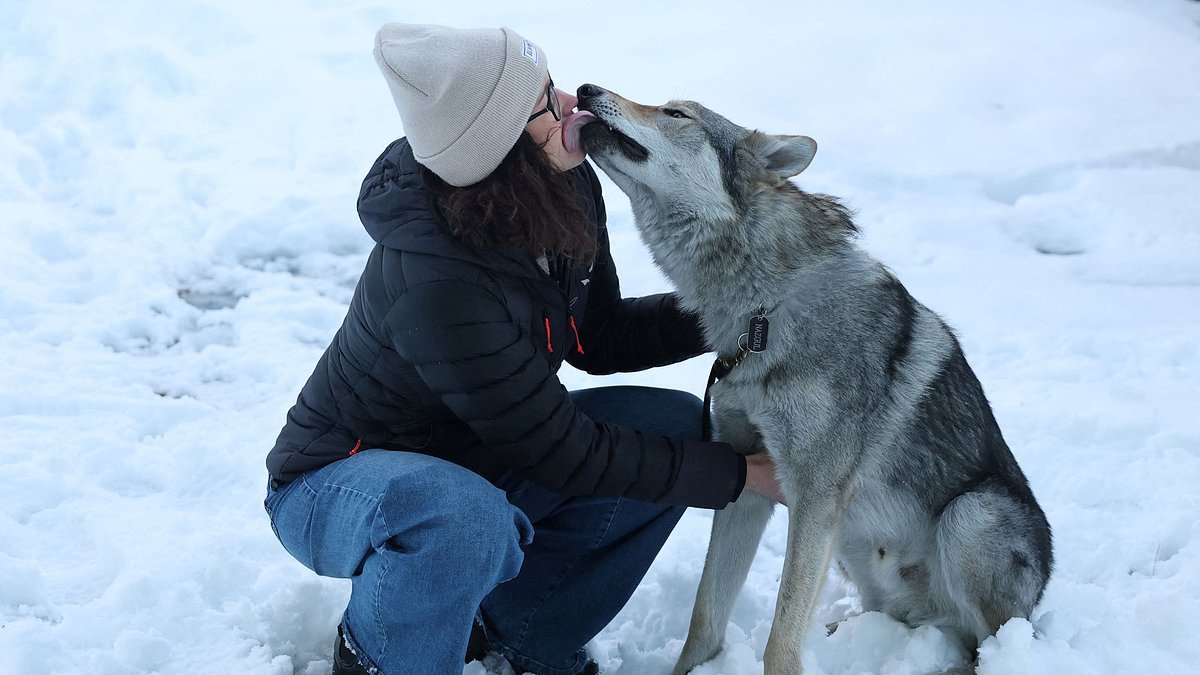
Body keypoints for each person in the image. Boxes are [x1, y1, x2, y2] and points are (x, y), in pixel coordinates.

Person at [263, 23, 785, 675]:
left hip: (475, 456)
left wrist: (729, 310)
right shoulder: (439, 283)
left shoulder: (561, 188)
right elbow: (561, 451)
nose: (570, 102)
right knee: (462, 514)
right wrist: (739, 476)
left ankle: (520, 635)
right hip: (336, 482)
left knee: (675, 426)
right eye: (543, 102)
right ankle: (381, 657)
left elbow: (597, 337)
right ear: (497, 143)